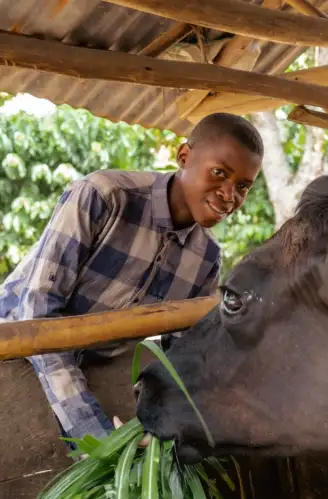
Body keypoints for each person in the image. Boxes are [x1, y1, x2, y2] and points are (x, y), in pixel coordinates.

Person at [0, 112, 264, 445]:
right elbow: (36, 315)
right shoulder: (102, 196)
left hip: (99, 368)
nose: (229, 195)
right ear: (184, 157)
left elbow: (187, 354)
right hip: (13, 351)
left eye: (242, 186)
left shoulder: (207, 257)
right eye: (219, 173)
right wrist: (95, 438)